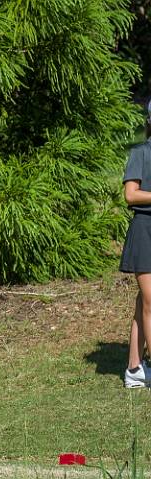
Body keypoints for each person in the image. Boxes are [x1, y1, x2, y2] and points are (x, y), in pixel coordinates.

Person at [121, 99, 151, 388]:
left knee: (145, 301)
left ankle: (134, 369)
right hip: (145, 230)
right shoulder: (140, 152)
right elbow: (131, 195)